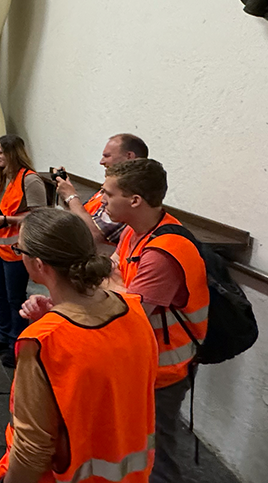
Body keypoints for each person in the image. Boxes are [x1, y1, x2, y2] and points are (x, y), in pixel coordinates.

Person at [0, 208, 157, 483]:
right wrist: (56, 315)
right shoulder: (133, 310)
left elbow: (32, 450)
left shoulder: (43, 341)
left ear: (38, 265)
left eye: (19, 249)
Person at [104, 159, 209, 483]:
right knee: (137, 447)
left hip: (163, 371)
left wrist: (115, 288)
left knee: (156, 454)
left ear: (135, 200)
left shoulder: (162, 252)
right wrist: (118, 288)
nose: (102, 199)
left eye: (109, 194)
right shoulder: (135, 233)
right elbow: (110, 277)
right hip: (143, 363)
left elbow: (126, 314)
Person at [0, 135, 48, 367]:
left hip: (16, 247)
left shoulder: (30, 180)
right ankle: (3, 335)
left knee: (15, 297)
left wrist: (7, 220)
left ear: (13, 153)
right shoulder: (0, 177)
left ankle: (16, 343)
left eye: (1, 153)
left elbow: (39, 214)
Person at [55, 134, 148, 246]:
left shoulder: (130, 193)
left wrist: (71, 197)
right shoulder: (112, 188)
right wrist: (66, 195)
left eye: (107, 156)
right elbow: (80, 219)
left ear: (129, 156)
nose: (101, 162)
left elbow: (93, 235)